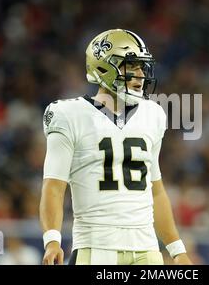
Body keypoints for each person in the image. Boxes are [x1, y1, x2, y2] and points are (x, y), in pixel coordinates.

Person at [39, 29, 192, 265]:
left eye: (143, 67)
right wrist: (52, 240)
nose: (141, 75)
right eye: (132, 66)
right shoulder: (68, 115)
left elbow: (156, 190)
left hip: (147, 249)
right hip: (96, 246)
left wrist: (176, 250)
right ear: (104, 68)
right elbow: (54, 186)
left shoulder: (153, 114)